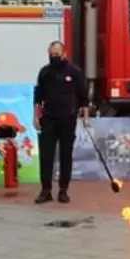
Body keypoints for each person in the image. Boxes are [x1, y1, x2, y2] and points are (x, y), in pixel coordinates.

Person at [33, 40, 89, 203]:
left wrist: (86, 117)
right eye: (52, 54)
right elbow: (38, 96)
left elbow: (83, 96)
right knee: (46, 156)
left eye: (57, 53)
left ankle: (63, 190)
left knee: (66, 155)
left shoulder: (74, 71)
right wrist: (36, 116)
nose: (54, 56)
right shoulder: (44, 72)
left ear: (64, 53)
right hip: (48, 118)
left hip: (68, 118)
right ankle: (46, 190)